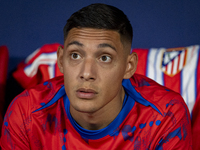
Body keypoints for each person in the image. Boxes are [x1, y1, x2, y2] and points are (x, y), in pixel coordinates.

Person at [0, 3, 192, 149]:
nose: (86, 73)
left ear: (129, 66)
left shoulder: (165, 115)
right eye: (75, 55)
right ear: (60, 60)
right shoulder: (26, 114)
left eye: (105, 58)